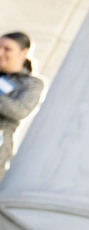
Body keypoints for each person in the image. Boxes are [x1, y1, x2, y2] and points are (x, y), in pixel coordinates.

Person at [0, 31, 44, 178]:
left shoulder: (31, 83)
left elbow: (20, 110)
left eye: (7, 49)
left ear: (24, 53)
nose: (1, 53)